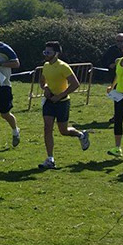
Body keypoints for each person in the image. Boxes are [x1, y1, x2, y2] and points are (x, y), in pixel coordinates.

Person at [38, 41, 90, 169]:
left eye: (48, 52)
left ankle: (81, 135)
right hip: (49, 102)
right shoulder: (45, 65)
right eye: (45, 52)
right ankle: (50, 159)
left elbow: (75, 84)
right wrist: (45, 89)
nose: (46, 54)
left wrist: (60, 96)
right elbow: (42, 81)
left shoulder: (63, 66)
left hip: (62, 102)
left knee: (63, 131)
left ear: (56, 53)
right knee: (47, 127)